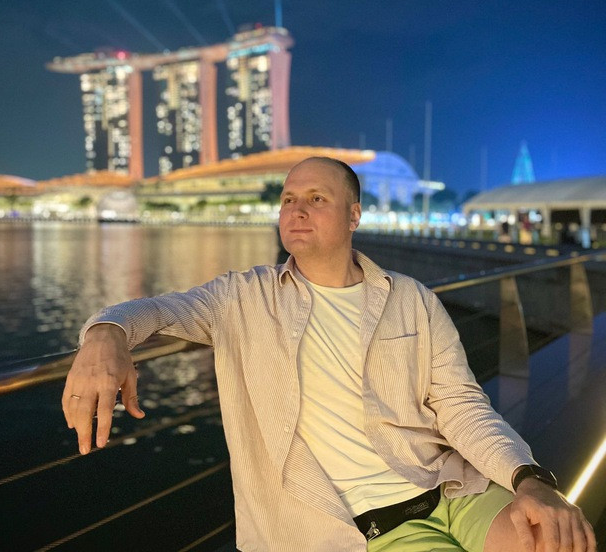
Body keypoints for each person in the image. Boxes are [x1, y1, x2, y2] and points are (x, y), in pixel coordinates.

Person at [63, 157, 596, 552]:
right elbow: (157, 310)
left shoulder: (410, 298)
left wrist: (529, 478)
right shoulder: (242, 298)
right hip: (369, 528)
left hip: (454, 487)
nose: (296, 210)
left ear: (353, 215)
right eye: (288, 199)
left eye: (317, 198)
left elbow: (461, 404)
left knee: (556, 537)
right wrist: (106, 333)